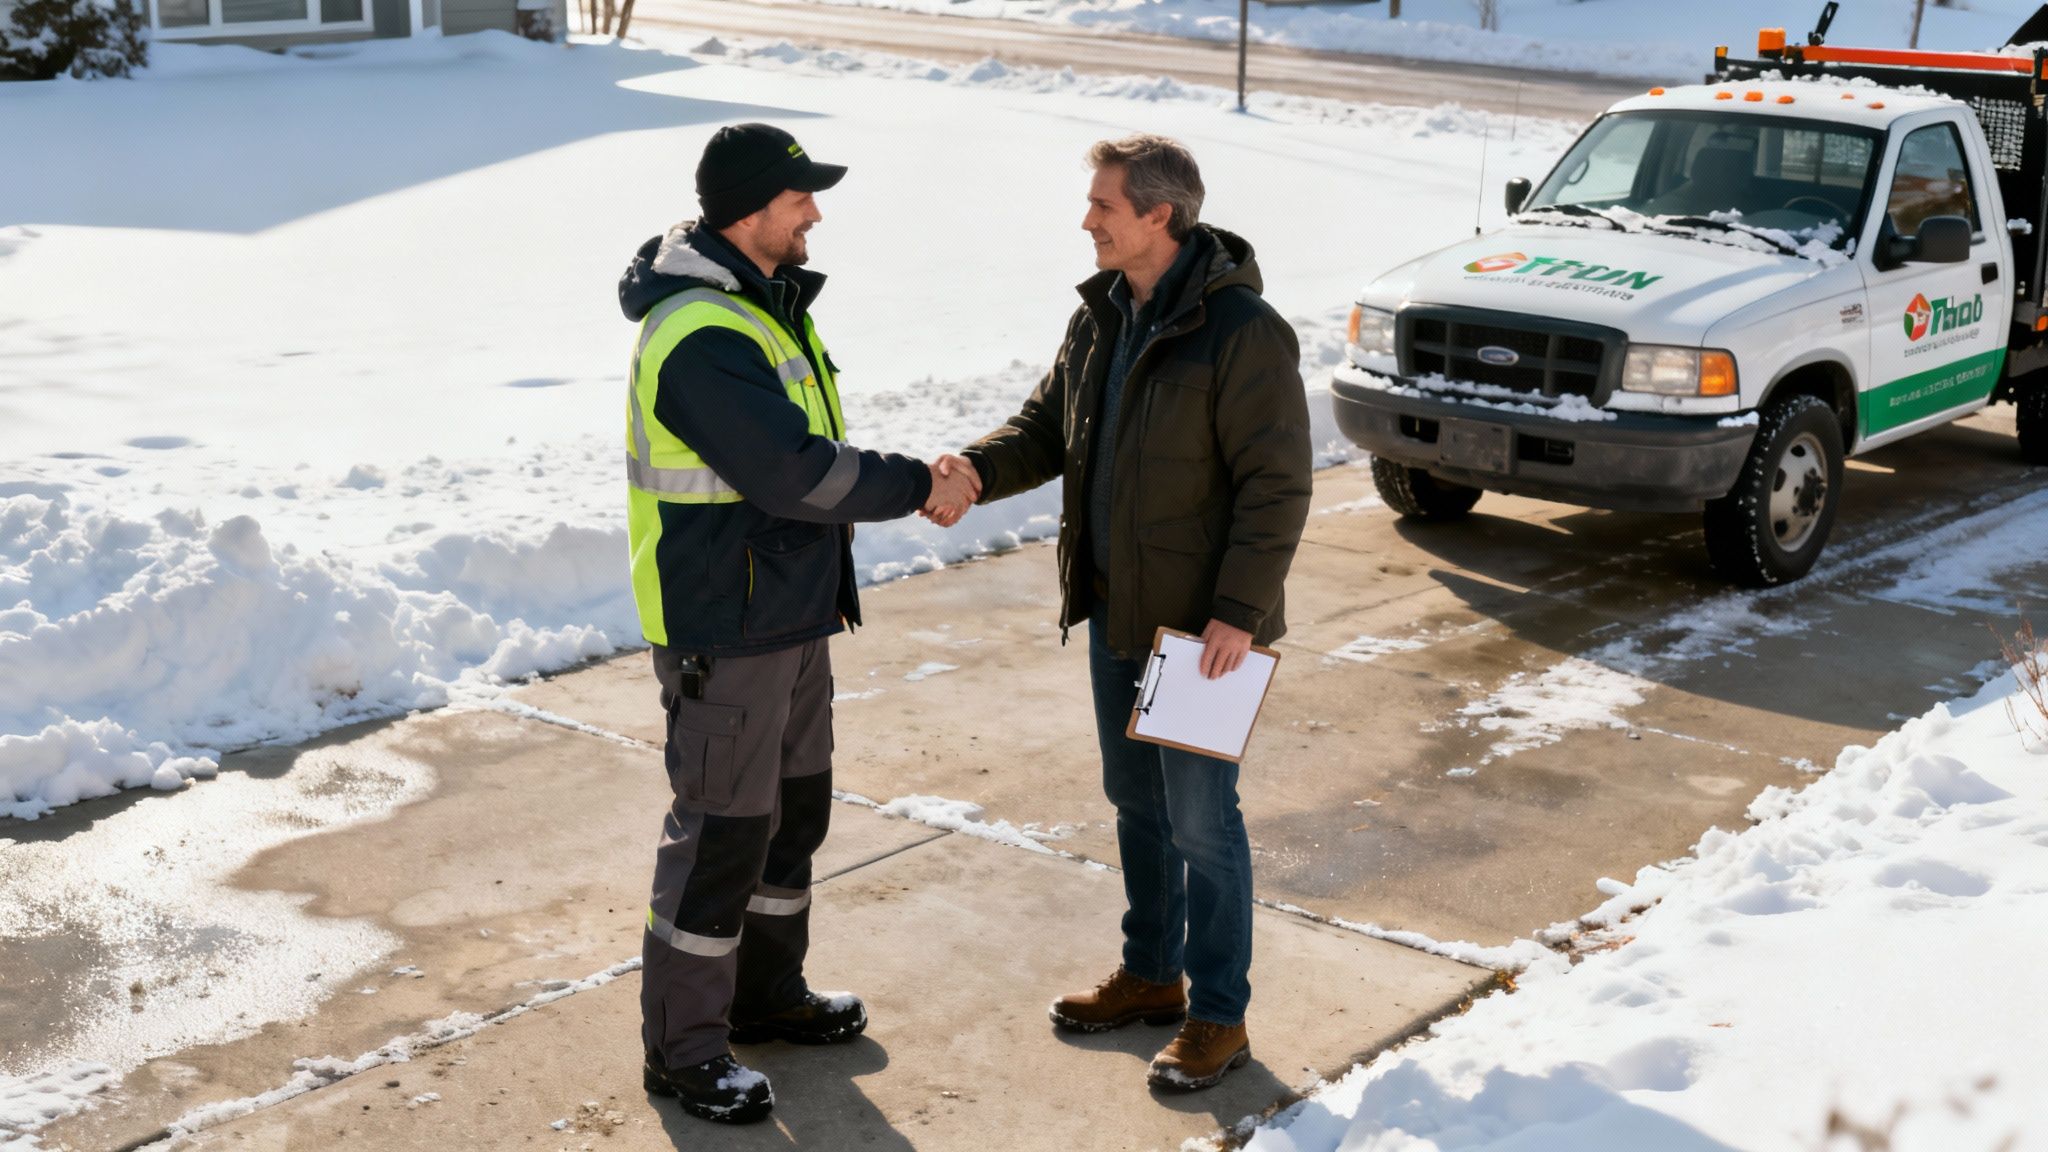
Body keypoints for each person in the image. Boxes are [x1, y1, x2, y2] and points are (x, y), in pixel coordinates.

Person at [617, 122, 979, 1125]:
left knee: (792, 814)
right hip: (722, 622)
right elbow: (791, 472)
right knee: (720, 837)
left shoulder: (760, 309)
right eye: (797, 199)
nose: (813, 212)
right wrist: (921, 485)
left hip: (784, 613)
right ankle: (685, 1050)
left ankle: (765, 996)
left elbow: (804, 462)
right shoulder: (701, 332)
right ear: (748, 211)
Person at [950, 133, 1311, 1091]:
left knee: (1202, 822)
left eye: (1105, 205)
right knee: (1136, 807)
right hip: (1116, 611)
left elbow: (1277, 486)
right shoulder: (1103, 315)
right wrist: (978, 468)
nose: (1088, 221)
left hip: (1203, 636)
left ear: (1160, 215)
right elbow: (1046, 426)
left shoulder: (1243, 332)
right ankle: (1152, 975)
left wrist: (1238, 611)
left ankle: (1220, 1016)